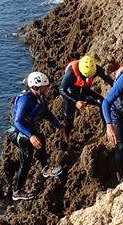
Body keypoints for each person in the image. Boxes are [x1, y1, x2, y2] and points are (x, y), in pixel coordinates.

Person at [7, 71, 69, 201]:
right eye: (44, 87)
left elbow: (47, 113)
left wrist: (60, 127)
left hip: (28, 130)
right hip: (18, 132)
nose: (47, 88)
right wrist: (31, 136)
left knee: (41, 140)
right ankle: (17, 192)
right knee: (27, 161)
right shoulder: (25, 100)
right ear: (36, 87)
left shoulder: (39, 98)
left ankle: (45, 169)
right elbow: (17, 122)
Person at [58, 55, 113, 133]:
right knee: (68, 124)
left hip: (85, 92)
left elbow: (109, 80)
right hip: (71, 96)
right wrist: (76, 101)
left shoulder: (95, 68)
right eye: (86, 75)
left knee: (102, 102)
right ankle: (64, 143)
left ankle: (105, 129)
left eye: (91, 76)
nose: (89, 77)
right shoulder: (71, 72)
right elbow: (61, 90)